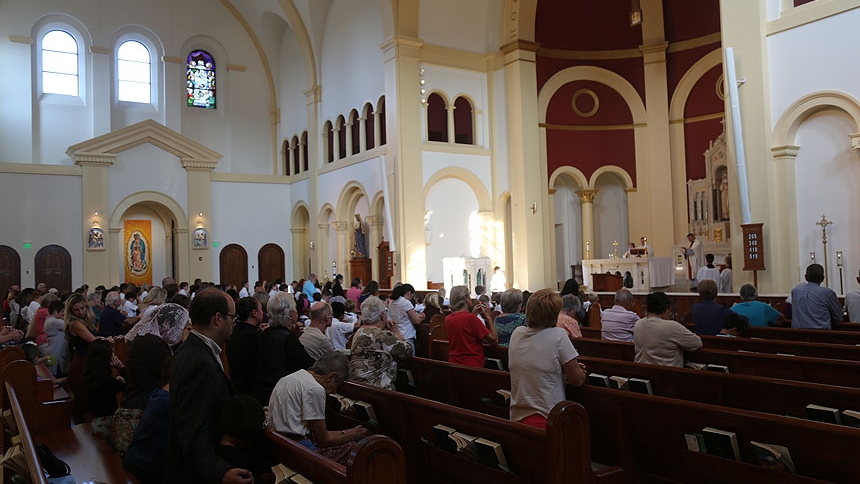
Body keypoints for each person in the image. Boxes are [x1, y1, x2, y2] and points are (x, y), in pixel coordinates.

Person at [167, 288, 253, 484]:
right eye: (232, 317)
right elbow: (192, 427)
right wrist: (219, 472)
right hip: (196, 474)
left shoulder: (191, 349)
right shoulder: (199, 361)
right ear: (217, 318)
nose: (234, 323)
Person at [508, 289, 587, 429]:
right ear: (554, 314)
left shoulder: (517, 333)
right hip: (548, 417)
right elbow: (577, 380)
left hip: (517, 415)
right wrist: (577, 370)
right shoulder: (558, 335)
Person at [269, 352, 367, 464]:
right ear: (331, 376)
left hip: (279, 444)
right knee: (355, 449)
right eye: (337, 385)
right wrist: (352, 434)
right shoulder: (315, 388)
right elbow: (323, 440)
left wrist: (348, 432)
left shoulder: (289, 378)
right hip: (297, 452)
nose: (335, 391)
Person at [118, 303, 189, 453]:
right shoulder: (152, 343)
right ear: (166, 324)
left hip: (140, 403)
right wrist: (186, 343)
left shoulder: (148, 339)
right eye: (180, 327)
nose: (180, 331)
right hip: (141, 410)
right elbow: (175, 373)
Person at [253, 292, 313, 405]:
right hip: (282, 396)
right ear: (291, 314)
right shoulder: (288, 338)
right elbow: (306, 364)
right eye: (295, 309)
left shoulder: (265, 334)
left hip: (263, 393)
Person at [349, 296, 412, 389]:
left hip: (360, 386)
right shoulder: (382, 336)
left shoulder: (359, 331)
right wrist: (396, 332)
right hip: (379, 388)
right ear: (383, 316)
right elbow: (408, 351)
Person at [634, 292, 702, 367]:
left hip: (640, 373)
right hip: (667, 375)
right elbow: (697, 343)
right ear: (666, 309)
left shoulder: (638, 324)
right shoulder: (672, 326)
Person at [65, 293, 99, 421]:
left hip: (88, 361)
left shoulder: (85, 321)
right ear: (71, 311)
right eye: (76, 310)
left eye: (83, 308)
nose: (80, 312)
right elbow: (94, 341)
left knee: (88, 399)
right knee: (84, 402)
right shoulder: (75, 323)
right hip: (81, 363)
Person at [445, 285, 498, 367]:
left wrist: (472, 315)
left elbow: (463, 326)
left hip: (454, 364)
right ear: (465, 298)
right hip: (472, 364)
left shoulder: (448, 318)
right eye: (469, 296)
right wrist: (488, 316)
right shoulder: (471, 318)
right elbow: (494, 340)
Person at [84, 339, 126, 438]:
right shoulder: (106, 380)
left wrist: (117, 381)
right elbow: (131, 386)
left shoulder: (89, 375)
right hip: (107, 424)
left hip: (96, 420)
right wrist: (121, 368)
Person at [226, 297, 264, 397]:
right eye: (261, 309)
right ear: (254, 313)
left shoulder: (234, 332)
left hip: (236, 387)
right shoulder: (255, 337)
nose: (262, 312)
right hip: (252, 390)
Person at [790, 264, 842, 330]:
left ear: (806, 277)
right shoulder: (827, 293)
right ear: (823, 278)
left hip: (798, 335)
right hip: (820, 335)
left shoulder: (795, 291)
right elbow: (838, 318)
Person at [388, 283, 424, 351]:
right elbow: (416, 321)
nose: (412, 298)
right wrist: (421, 316)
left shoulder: (391, 302)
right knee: (410, 360)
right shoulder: (406, 303)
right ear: (409, 293)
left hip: (396, 334)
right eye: (412, 295)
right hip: (407, 336)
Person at [43, 300, 67, 377]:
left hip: (54, 351)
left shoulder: (50, 321)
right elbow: (69, 325)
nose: (63, 314)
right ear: (55, 311)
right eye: (62, 311)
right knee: (56, 375)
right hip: (55, 353)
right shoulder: (54, 322)